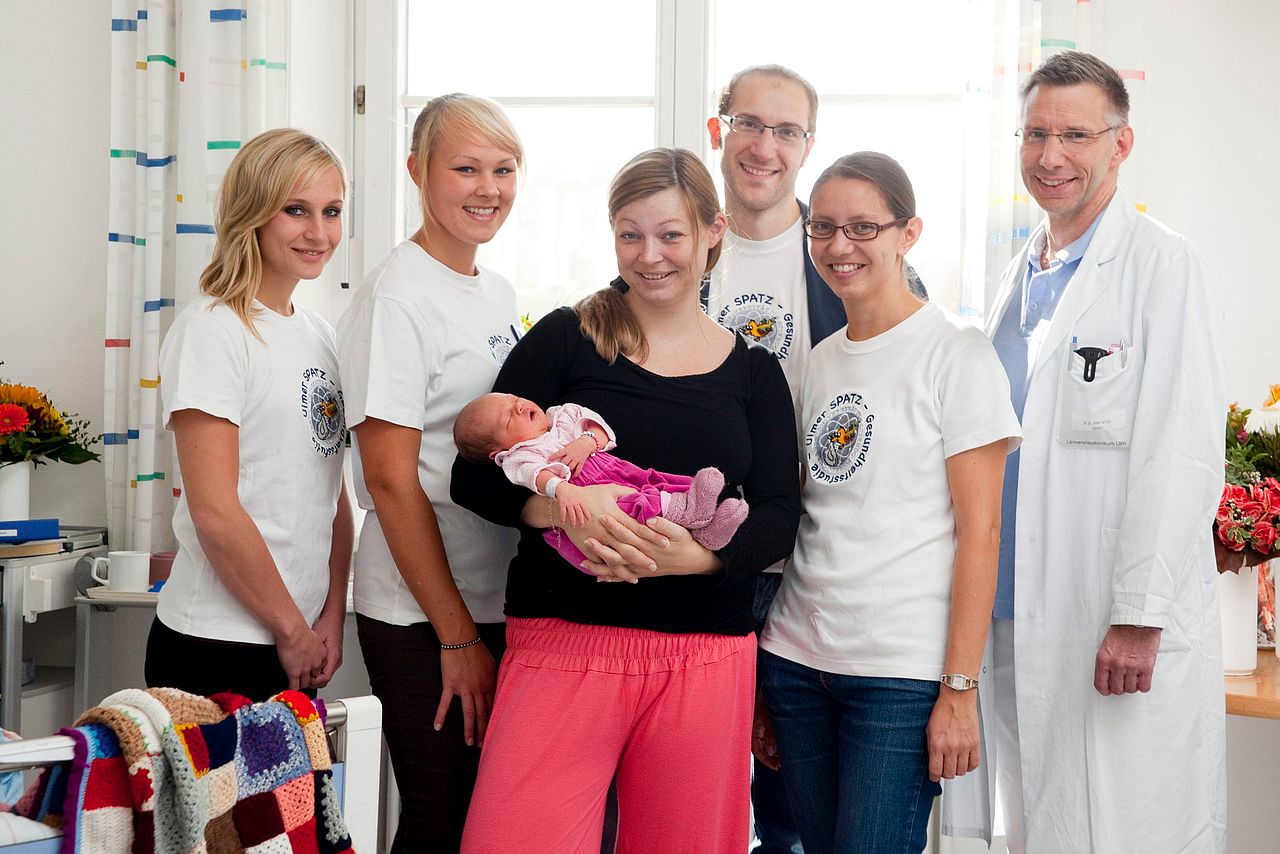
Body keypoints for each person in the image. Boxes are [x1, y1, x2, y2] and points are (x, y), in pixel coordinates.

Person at [451, 148, 800, 853]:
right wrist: (563, 511)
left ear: (712, 230)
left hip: (704, 656)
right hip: (562, 645)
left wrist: (697, 562)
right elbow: (475, 474)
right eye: (630, 234)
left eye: (671, 234)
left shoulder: (755, 373)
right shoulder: (566, 338)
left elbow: (778, 515)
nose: (651, 256)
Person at [940, 51, 1227, 853]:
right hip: (1007, 608)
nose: (1050, 156)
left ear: (1120, 145)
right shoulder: (1019, 276)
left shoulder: (1160, 265)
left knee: (1117, 817)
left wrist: (1140, 613)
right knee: (1029, 816)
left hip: (1102, 611)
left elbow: (1184, 447)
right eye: (1035, 134)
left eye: (1074, 134)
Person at [755, 152, 1020, 854]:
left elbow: (982, 533)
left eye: (864, 227)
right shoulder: (818, 360)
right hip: (795, 661)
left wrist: (959, 689)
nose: (840, 247)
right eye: (825, 228)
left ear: (909, 233)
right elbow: (807, 518)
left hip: (897, 678)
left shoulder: (956, 355)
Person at [705, 65, 928, 854]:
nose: (764, 146)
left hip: (810, 586)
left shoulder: (852, 257)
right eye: (748, 123)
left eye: (786, 130)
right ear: (717, 131)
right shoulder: (674, 249)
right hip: (702, 576)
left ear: (807, 146)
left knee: (796, 821)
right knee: (693, 800)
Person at [336, 94, 524, 853]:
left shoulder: (496, 292)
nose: (488, 187)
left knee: (489, 819)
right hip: (425, 619)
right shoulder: (396, 297)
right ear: (416, 171)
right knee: (440, 817)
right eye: (466, 167)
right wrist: (455, 637)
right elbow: (387, 480)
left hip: (494, 601)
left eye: (504, 169)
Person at [146, 128, 352, 702]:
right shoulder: (212, 329)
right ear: (253, 214)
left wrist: (329, 617)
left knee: (302, 799)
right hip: (216, 642)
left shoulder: (322, 337)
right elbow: (213, 510)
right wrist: (290, 627)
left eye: (331, 211)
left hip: (301, 638)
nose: (318, 232)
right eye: (295, 210)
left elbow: (330, 492)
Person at [453, 392, 749, 563]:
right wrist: (562, 490)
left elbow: (602, 430)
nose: (518, 406)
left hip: (619, 471)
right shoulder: (519, 456)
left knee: (655, 481)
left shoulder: (562, 416)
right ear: (498, 451)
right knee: (639, 505)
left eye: (514, 399)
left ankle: (707, 529)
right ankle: (692, 513)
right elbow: (537, 477)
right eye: (508, 418)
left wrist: (587, 441)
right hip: (596, 498)